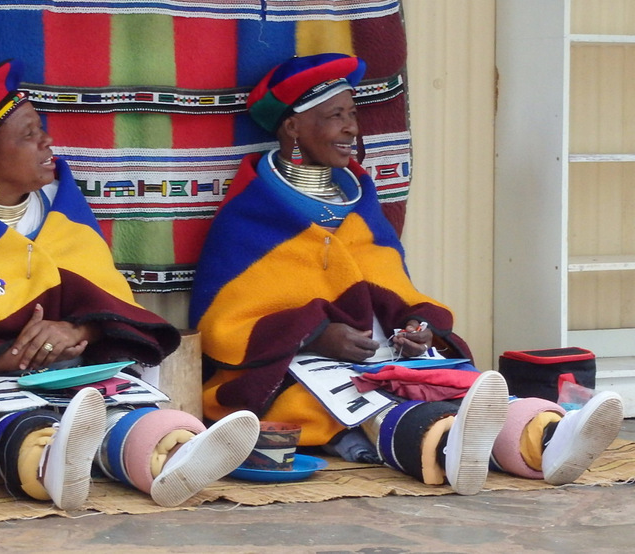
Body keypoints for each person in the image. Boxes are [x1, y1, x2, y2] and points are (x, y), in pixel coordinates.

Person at [189, 53, 624, 495]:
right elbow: (223, 325)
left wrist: (419, 327)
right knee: (367, 405)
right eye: (335, 115)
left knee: (459, 387)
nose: (351, 128)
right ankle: (448, 448)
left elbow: (394, 287)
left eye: (353, 114)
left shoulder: (360, 203)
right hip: (296, 367)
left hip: (385, 355)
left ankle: (548, 438)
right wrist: (317, 336)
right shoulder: (251, 216)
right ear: (292, 128)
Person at [0, 60, 259, 510]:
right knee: (3, 425)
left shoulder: (63, 211)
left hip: (67, 374)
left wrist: (80, 331)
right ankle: (48, 467)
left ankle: (172, 456)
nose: (47, 143)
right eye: (28, 135)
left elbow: (110, 300)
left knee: (121, 409)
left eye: (42, 129)